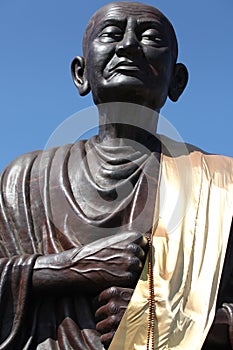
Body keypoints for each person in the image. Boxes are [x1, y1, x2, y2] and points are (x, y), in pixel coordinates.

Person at [0, 2, 233, 349]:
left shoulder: (220, 183)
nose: (128, 46)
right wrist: (68, 268)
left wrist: (163, 320)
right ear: (80, 74)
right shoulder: (24, 178)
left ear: (177, 80)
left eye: (150, 37)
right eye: (110, 34)